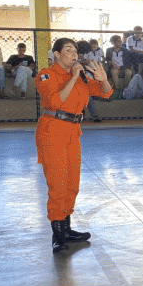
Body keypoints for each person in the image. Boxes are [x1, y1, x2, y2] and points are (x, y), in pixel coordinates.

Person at [35, 38, 113, 253]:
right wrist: (73, 77)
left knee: (71, 183)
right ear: (57, 55)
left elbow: (105, 92)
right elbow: (55, 102)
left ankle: (67, 229)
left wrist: (104, 79)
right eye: (68, 50)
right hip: (53, 130)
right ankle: (57, 234)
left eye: (75, 50)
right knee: (57, 183)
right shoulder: (46, 75)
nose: (73, 53)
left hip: (73, 131)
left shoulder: (81, 76)